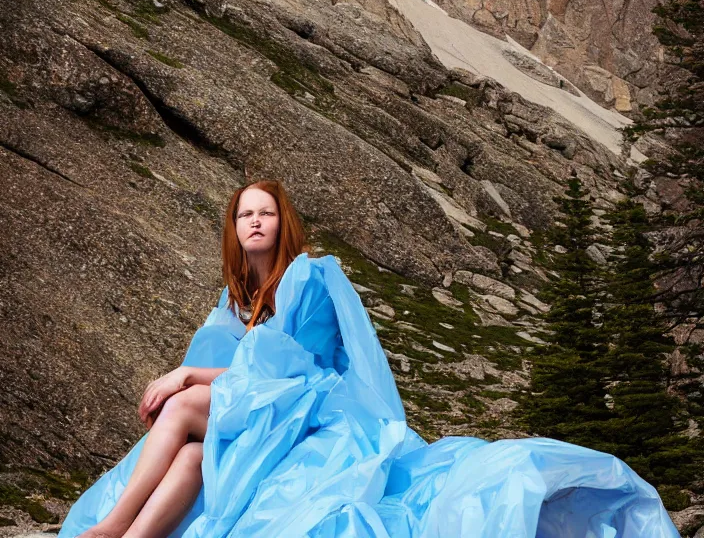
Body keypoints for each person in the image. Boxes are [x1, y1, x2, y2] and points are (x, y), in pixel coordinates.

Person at [61, 180, 680, 538]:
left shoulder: (309, 278)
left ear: (284, 223)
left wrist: (188, 372)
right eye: (244, 214)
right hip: (259, 410)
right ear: (234, 226)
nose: (255, 222)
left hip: (309, 409)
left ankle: (112, 529)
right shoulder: (236, 297)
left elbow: (291, 369)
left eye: (266, 212)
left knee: (180, 406)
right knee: (195, 453)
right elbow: (252, 371)